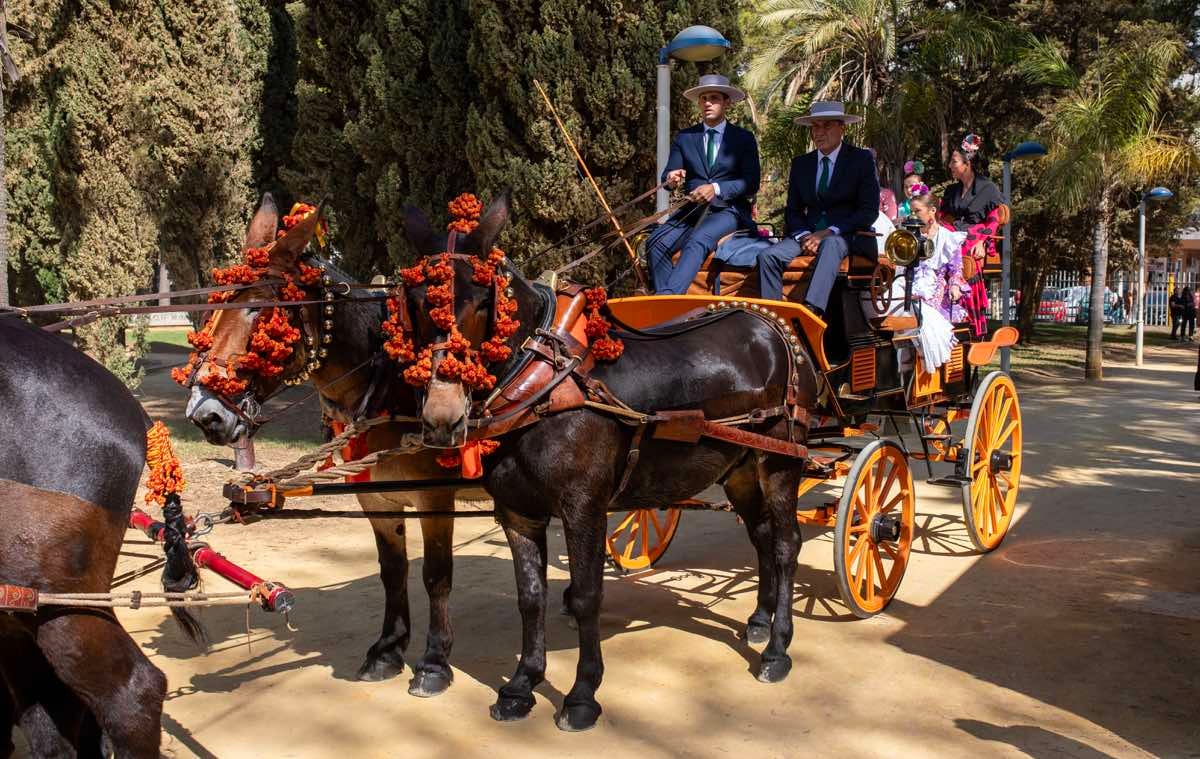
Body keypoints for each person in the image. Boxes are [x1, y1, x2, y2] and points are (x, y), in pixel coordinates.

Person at [755, 100, 879, 315]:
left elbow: (869, 211)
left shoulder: (861, 160)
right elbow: (793, 210)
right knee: (768, 256)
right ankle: (773, 318)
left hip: (848, 236)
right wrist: (804, 234)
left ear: (842, 128)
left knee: (831, 244)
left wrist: (830, 231)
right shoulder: (802, 163)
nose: (819, 133)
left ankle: (812, 312)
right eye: (815, 126)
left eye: (827, 126)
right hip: (807, 235)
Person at [644, 74, 761, 294]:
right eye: (704, 98)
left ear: (726, 103)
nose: (707, 103)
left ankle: (667, 300)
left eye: (714, 98)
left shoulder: (743, 138)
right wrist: (672, 178)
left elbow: (752, 182)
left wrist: (716, 188)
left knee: (698, 241)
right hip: (691, 210)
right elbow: (668, 179)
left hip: (728, 211)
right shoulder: (685, 137)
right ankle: (671, 306)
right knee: (655, 242)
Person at [886, 187, 968, 369]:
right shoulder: (908, 236)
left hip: (936, 292)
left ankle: (924, 364)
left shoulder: (948, 238)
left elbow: (955, 271)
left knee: (923, 313)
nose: (912, 215)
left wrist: (955, 287)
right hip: (909, 283)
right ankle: (901, 366)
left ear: (932, 211)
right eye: (911, 211)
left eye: (917, 211)